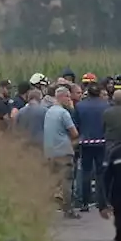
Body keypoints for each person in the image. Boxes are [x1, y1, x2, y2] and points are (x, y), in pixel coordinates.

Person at [44, 86, 81, 218]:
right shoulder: (63, 113)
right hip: (64, 151)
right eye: (68, 97)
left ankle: (47, 209)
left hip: (50, 151)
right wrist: (71, 109)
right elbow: (74, 133)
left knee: (53, 181)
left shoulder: (48, 112)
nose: (69, 100)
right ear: (62, 97)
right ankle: (68, 209)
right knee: (66, 180)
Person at [75, 83, 111, 212]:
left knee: (86, 172)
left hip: (85, 143)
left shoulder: (79, 106)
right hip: (102, 142)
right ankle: (101, 202)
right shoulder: (106, 106)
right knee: (101, 173)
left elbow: (77, 125)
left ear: (88, 93)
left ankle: (84, 202)